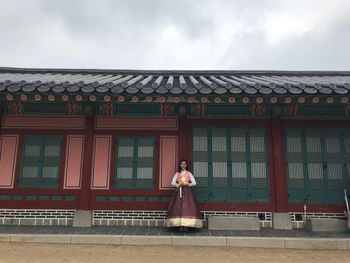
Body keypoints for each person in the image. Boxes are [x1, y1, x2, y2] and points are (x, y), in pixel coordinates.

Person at [165, 159, 203, 229]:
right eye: (182, 164)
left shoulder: (189, 173)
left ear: (186, 165)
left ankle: (187, 225)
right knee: (178, 207)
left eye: (184, 164)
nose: (183, 165)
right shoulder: (177, 174)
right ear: (180, 165)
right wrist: (178, 184)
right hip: (178, 192)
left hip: (187, 192)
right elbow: (172, 182)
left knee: (187, 207)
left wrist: (187, 183)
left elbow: (194, 182)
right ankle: (178, 224)